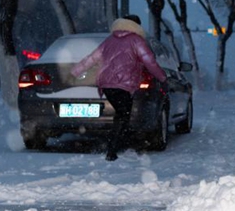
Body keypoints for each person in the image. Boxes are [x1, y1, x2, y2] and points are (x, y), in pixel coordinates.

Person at [70, 15, 166, 161]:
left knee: (122, 115)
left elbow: (92, 58)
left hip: (107, 84)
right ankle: (112, 150)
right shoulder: (137, 41)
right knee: (123, 116)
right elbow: (149, 61)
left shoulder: (109, 40)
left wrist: (75, 71)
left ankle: (116, 146)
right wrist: (163, 77)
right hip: (123, 85)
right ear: (136, 26)